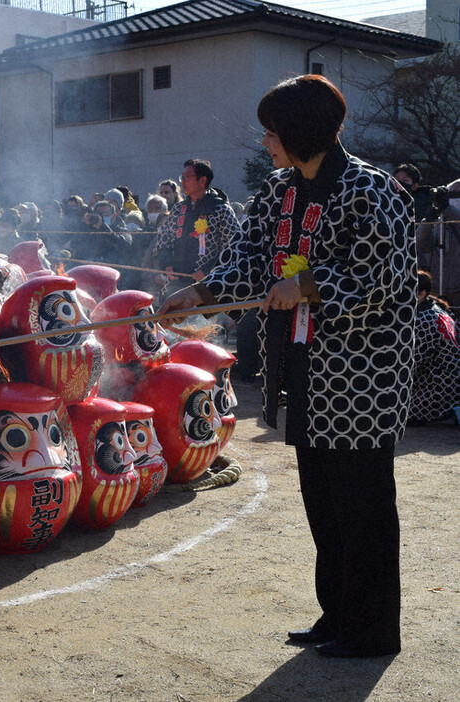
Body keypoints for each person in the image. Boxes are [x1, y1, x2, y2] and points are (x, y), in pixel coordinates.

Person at [159, 74, 415, 658]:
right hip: (301, 367)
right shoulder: (277, 191)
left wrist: (309, 284)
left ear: (298, 130)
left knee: (363, 504)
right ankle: (338, 613)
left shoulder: (370, 191)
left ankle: (372, 630)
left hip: (362, 373)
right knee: (322, 499)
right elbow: (249, 261)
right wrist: (201, 295)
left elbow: (386, 280)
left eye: (272, 131)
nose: (265, 141)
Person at [147, 159, 242, 297]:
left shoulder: (221, 209)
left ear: (203, 180)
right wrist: (166, 264)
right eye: (182, 177)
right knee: (171, 315)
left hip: (209, 283)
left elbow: (233, 247)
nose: (183, 181)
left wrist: (208, 269)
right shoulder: (179, 209)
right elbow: (163, 241)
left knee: (206, 318)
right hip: (176, 281)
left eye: (187, 177)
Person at [409, 270, 460, 424]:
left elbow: (412, 362)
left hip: (441, 386)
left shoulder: (424, 319)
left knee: (397, 412)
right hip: (451, 380)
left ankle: (450, 413)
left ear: (421, 294)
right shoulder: (439, 309)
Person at [416, 178, 460, 307]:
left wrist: (448, 209)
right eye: (452, 195)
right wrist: (429, 220)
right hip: (437, 289)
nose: (455, 198)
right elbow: (421, 245)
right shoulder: (440, 221)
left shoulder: (451, 214)